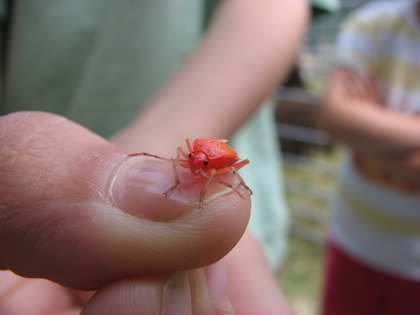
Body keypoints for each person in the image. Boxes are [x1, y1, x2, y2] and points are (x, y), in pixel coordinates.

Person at [0, 0, 308, 314]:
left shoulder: (211, 165)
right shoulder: (191, 155)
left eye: (196, 163)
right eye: (191, 160)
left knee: (219, 209)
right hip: (46, 241)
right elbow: (184, 156)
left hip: (238, 240)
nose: (189, 165)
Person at [320, 1, 420, 314]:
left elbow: (349, 126)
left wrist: (369, 135)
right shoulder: (374, 22)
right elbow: (334, 117)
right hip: (352, 240)